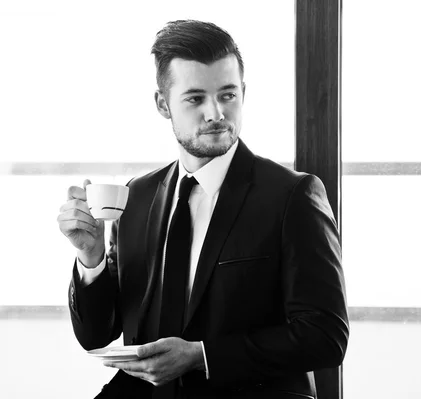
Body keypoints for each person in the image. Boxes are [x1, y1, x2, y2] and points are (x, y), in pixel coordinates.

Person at [57, 19, 349, 399]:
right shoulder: (138, 196)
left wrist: (202, 357)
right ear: (163, 104)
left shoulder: (292, 195)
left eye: (227, 95)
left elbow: (325, 337)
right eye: (195, 99)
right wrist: (90, 255)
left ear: (243, 92)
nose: (216, 113)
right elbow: (96, 335)